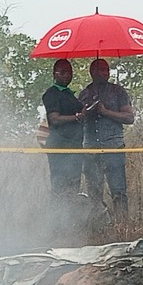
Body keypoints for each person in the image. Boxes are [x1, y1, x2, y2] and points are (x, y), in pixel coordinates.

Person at [77, 58, 135, 216]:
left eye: (106, 70)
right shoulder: (84, 94)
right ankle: (99, 228)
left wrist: (105, 112)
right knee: (94, 194)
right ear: (91, 72)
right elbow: (78, 122)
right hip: (90, 149)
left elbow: (129, 118)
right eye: (100, 70)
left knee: (119, 192)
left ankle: (123, 229)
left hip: (113, 147)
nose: (104, 73)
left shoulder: (118, 92)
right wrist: (84, 113)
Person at [41, 59, 87, 198]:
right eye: (63, 72)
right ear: (54, 74)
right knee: (60, 185)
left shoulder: (69, 94)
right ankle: (57, 216)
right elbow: (55, 119)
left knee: (73, 185)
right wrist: (76, 117)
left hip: (74, 146)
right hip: (60, 146)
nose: (67, 75)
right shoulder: (51, 94)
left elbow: (81, 111)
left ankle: (70, 216)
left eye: (69, 72)